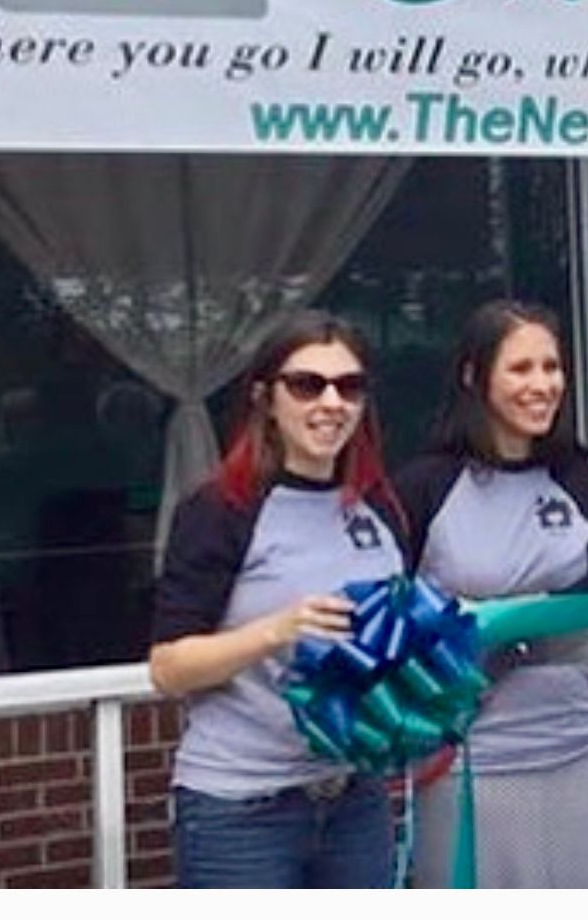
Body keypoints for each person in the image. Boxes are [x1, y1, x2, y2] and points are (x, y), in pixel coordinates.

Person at [150, 310, 406, 889]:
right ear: (265, 398)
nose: (331, 403)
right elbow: (168, 669)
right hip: (242, 807)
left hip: (356, 799)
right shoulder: (221, 509)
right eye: (307, 385)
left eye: (349, 386)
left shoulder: (379, 505)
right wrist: (276, 630)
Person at [393, 299, 588, 888]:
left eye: (551, 368)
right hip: (469, 750)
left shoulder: (576, 469)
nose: (542, 385)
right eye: (521, 369)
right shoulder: (426, 483)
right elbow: (390, 615)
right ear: (474, 376)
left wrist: (517, 633)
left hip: (578, 740)